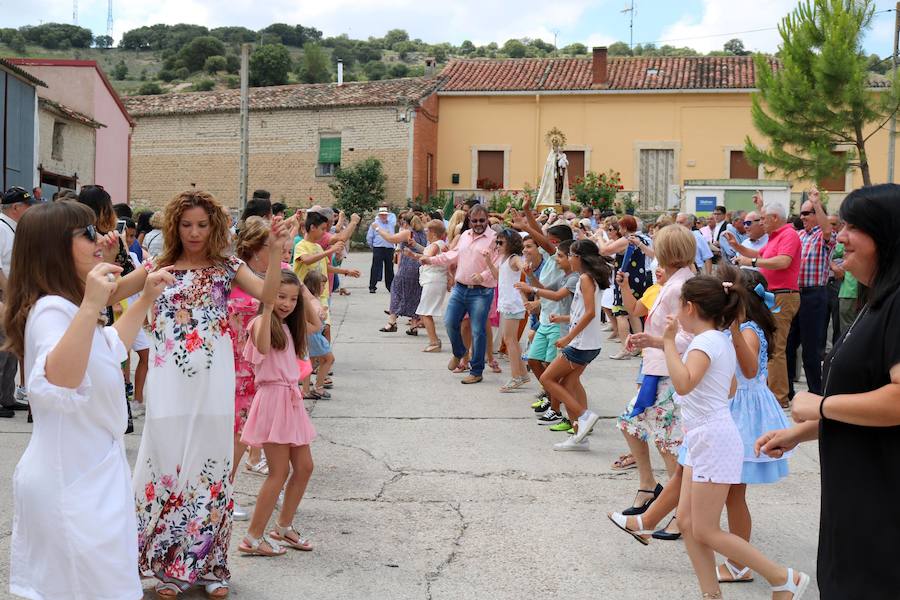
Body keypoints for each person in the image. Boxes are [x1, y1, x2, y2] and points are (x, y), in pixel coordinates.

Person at [5, 201, 174, 600]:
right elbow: (58, 383)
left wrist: (145, 296)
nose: (100, 239)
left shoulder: (68, 307)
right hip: (71, 483)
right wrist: (94, 304)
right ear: (55, 248)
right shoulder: (51, 310)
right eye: (87, 234)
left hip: (89, 475)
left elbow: (109, 346)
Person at [133, 191, 289, 598]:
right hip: (168, 383)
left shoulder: (227, 267)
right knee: (167, 463)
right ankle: (168, 565)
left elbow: (268, 296)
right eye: (186, 225)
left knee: (211, 466)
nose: (194, 232)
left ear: (214, 226)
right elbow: (112, 294)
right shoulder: (158, 266)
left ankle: (210, 566)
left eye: (202, 224)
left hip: (214, 380)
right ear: (174, 226)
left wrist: (275, 252)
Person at [756, 184, 900, 599]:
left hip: (883, 497)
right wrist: (799, 432)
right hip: (855, 490)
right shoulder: (878, 300)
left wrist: (820, 404)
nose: (839, 235)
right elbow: (864, 398)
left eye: (854, 226)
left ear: (887, 235)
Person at [663, 271, 810, 600]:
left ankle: (783, 577)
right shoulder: (720, 338)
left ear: (689, 307)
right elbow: (728, 387)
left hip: (711, 438)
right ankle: (710, 594)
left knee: (703, 528)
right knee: (687, 523)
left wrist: (669, 343)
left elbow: (685, 383)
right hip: (708, 435)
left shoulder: (707, 341)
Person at [612, 224, 696, 526]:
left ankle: (679, 507)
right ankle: (650, 486)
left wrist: (653, 341)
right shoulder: (673, 283)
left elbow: (690, 337)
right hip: (657, 368)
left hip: (668, 373)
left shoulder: (679, 287)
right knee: (633, 424)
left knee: (667, 442)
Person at [239, 269, 318, 556]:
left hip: (290, 398)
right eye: (281, 296)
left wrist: (303, 291)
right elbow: (260, 345)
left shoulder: (288, 326)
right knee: (278, 471)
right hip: (273, 399)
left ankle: (283, 526)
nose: (287, 303)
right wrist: (269, 301)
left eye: (292, 299)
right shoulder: (261, 322)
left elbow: (316, 322)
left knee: (305, 466)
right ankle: (252, 536)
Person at [540, 239, 611, 451]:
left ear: (579, 258)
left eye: (570, 255)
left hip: (581, 344)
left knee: (547, 379)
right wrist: (562, 319)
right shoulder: (588, 278)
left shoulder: (585, 279)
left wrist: (568, 338)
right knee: (569, 384)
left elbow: (590, 313)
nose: (568, 258)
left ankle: (583, 415)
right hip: (589, 343)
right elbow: (581, 312)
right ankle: (580, 435)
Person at [730, 200, 802, 407]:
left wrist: (751, 263)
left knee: (776, 347)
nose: (761, 223)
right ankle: (776, 394)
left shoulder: (789, 235)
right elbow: (759, 255)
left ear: (774, 218)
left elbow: (783, 262)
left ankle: (779, 398)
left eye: (763, 219)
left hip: (783, 295)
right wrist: (738, 247)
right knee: (770, 345)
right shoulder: (775, 236)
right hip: (773, 294)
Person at [421, 204, 497, 385]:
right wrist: (430, 260)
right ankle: (460, 352)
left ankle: (476, 371)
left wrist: (483, 276)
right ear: (469, 220)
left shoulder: (494, 239)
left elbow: (497, 262)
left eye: (482, 220)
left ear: (487, 219)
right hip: (460, 288)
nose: (478, 223)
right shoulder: (464, 235)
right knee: (449, 322)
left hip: (481, 292)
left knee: (478, 331)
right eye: (474, 220)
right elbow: (452, 255)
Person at [518, 239, 579, 431]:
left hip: (563, 329)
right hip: (551, 322)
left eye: (560, 256)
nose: (556, 259)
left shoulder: (576, 278)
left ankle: (567, 413)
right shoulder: (565, 277)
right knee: (535, 361)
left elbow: (557, 296)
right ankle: (575, 415)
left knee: (559, 376)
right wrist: (531, 280)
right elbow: (546, 289)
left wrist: (532, 290)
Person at [784, 188, 835, 398]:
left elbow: (827, 230)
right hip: (795, 294)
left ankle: (816, 394)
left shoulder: (823, 237)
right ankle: (788, 392)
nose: (802, 217)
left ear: (817, 214)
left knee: (811, 351)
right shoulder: (798, 236)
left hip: (814, 296)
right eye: (802, 214)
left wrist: (816, 202)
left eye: (808, 213)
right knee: (787, 346)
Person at [0, 187, 41, 417]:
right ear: (16, 208)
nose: (29, 211)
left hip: (11, 294)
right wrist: (10, 295)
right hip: (4, 295)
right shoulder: (1, 228)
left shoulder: (11, 228)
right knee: (2, 347)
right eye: (27, 206)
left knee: (11, 348)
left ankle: (6, 397)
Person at [600, 215, 652, 360]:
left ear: (623, 228)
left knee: (620, 313)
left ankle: (625, 348)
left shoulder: (626, 240)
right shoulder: (640, 239)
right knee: (633, 313)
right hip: (638, 280)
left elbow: (604, 251)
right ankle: (639, 347)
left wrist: (599, 236)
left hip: (625, 280)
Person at [483, 228, 529, 392]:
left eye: (501, 242)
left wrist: (525, 266)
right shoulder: (504, 259)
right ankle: (522, 375)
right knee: (510, 339)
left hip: (512, 304)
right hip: (508, 303)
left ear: (511, 243)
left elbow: (521, 265)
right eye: (497, 242)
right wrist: (488, 262)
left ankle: (516, 377)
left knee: (510, 340)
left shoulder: (514, 258)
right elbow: (498, 277)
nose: (498, 245)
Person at [373, 213, 426, 334]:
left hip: (408, 266)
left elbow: (390, 239)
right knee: (415, 294)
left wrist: (377, 228)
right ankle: (413, 326)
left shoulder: (408, 232)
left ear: (405, 222)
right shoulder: (422, 233)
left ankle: (391, 322)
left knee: (396, 290)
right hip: (419, 265)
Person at [410, 219, 449, 352]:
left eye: (427, 231)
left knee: (425, 312)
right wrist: (414, 255)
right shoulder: (442, 244)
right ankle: (434, 341)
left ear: (432, 232)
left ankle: (434, 342)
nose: (426, 233)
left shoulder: (434, 245)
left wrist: (413, 255)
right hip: (437, 280)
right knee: (425, 311)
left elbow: (426, 259)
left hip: (433, 280)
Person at [303, 271, 334, 400]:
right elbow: (317, 316)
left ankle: (305, 390)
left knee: (309, 361)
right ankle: (319, 387)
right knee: (328, 359)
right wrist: (323, 315)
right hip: (314, 335)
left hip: (309, 335)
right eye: (322, 285)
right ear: (314, 285)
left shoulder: (309, 299)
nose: (324, 288)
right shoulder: (313, 301)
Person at [367, 207, 397, 293]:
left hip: (389, 247)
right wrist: (372, 246)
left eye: (385, 215)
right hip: (378, 247)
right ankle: (372, 286)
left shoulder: (391, 223)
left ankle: (390, 286)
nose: (384, 216)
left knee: (389, 268)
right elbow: (370, 237)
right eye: (382, 215)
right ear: (379, 215)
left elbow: (392, 233)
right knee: (375, 267)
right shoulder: (374, 224)